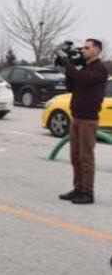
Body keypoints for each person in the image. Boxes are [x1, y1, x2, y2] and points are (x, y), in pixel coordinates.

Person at [58, 39, 109, 205]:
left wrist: (70, 66)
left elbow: (85, 80)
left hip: (88, 119)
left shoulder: (99, 69)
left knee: (86, 157)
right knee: (75, 156)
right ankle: (78, 188)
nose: (83, 51)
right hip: (77, 117)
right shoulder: (84, 68)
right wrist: (69, 67)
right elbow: (72, 87)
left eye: (87, 48)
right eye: (83, 48)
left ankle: (88, 192)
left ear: (97, 51)